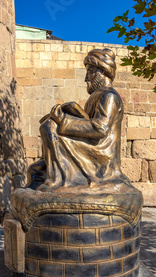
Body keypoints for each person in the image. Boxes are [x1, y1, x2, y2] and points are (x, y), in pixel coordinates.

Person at [27, 48, 130, 191]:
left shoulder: (109, 96)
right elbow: (88, 122)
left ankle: (57, 180)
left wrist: (63, 121)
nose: (86, 78)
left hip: (101, 155)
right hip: (91, 147)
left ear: (102, 71)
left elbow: (100, 128)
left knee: (50, 126)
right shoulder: (97, 96)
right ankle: (51, 175)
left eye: (90, 72)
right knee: (35, 170)